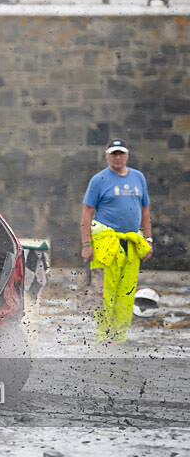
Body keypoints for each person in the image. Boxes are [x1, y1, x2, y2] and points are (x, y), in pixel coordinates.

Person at [81, 138, 153, 345]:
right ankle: (103, 337)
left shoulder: (138, 177)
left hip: (131, 243)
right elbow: (87, 213)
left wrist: (147, 239)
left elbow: (145, 209)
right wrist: (86, 245)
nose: (117, 157)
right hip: (105, 242)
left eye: (121, 153)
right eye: (113, 153)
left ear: (127, 155)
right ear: (107, 155)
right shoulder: (99, 180)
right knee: (103, 293)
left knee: (126, 294)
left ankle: (119, 337)